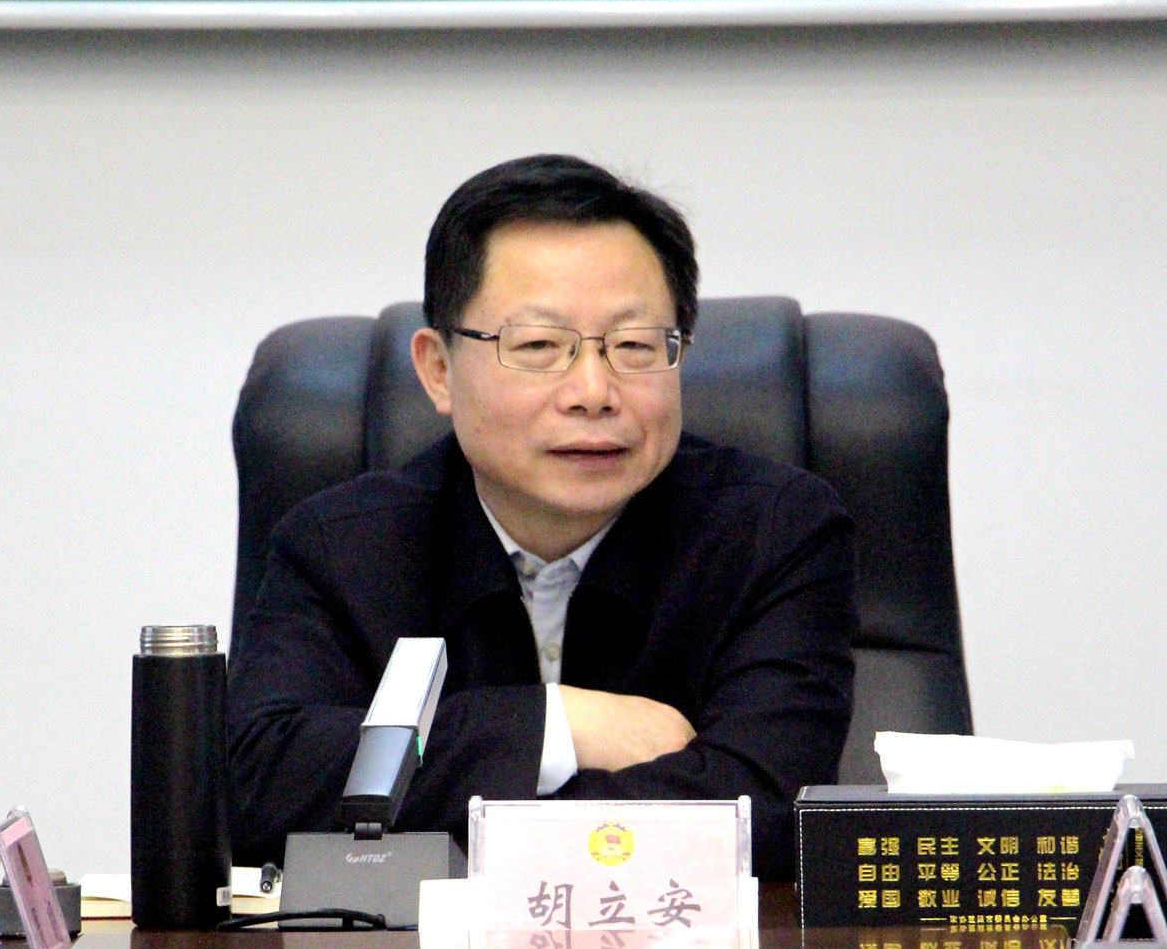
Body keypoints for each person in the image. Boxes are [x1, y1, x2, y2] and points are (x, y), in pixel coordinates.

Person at [226, 154, 854, 879]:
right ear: (438, 371)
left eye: (635, 346)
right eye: (538, 347)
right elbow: (260, 791)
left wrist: (443, 806)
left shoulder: (776, 533)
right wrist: (559, 727)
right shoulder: (340, 547)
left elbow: (765, 814)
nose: (593, 392)